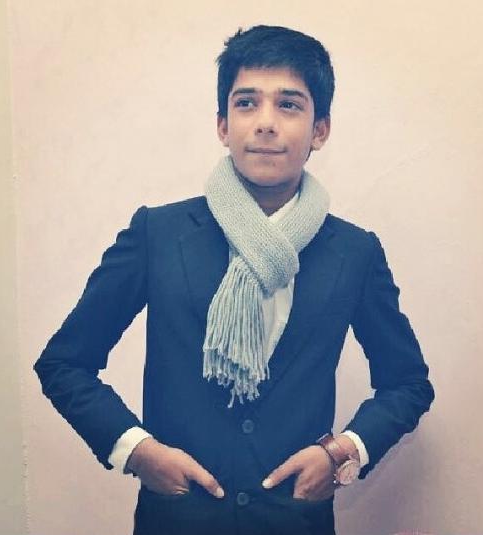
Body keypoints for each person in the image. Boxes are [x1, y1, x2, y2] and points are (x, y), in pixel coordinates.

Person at [35, 24, 434, 535]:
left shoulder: (354, 252)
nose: (265, 123)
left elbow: (407, 383)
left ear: (320, 130)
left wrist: (342, 451)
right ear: (223, 126)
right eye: (247, 103)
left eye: (288, 105)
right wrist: (137, 451)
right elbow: (64, 363)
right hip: (177, 521)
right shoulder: (158, 234)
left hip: (296, 523)